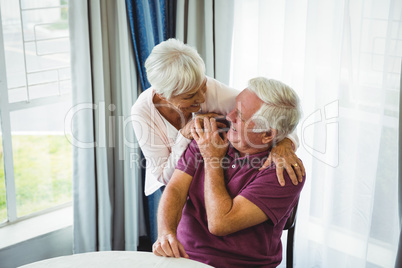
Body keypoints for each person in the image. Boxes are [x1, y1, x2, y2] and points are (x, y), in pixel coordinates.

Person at [152, 77, 305, 267]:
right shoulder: (213, 133)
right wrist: (166, 232)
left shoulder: (284, 171)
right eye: (234, 107)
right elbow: (175, 188)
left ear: (267, 134)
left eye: (240, 115)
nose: (229, 116)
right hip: (183, 257)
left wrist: (212, 159)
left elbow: (220, 223)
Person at [131, 39, 304, 196]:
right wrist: (184, 136)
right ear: (163, 96)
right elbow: (164, 177)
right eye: (189, 96)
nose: (201, 98)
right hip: (176, 186)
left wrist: (284, 144)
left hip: (215, 178)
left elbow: (279, 117)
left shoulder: (213, 91)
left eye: (203, 85)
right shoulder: (142, 112)